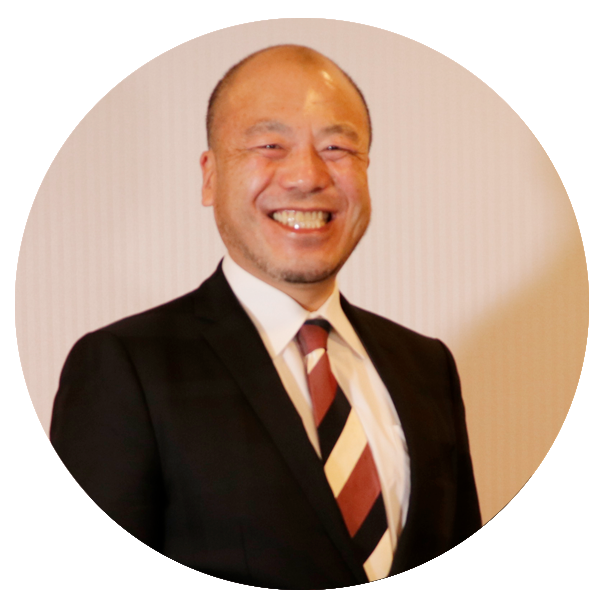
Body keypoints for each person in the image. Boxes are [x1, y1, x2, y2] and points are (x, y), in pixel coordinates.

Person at [50, 45, 481, 589]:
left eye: (337, 147)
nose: (307, 176)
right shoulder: (123, 369)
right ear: (210, 177)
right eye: (270, 145)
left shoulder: (427, 366)